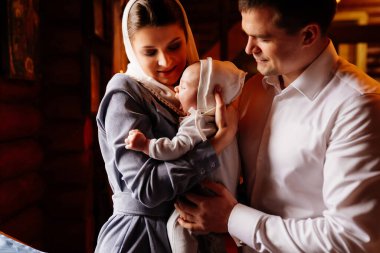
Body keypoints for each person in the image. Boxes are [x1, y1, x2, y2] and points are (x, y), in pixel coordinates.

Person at [175, 0, 380, 252]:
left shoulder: (358, 105)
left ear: (308, 35)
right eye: (246, 35)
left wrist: (232, 219)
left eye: (262, 38)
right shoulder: (252, 91)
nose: (249, 48)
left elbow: (352, 238)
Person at [94, 0, 238, 252]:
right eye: (150, 52)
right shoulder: (124, 93)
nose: (166, 61)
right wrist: (218, 143)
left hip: (194, 232)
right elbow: (147, 189)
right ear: (132, 50)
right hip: (142, 237)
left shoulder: (196, 88)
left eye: (174, 45)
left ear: (187, 38)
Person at [125, 57, 246, 253]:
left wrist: (146, 145)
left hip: (203, 196)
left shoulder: (197, 122)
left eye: (183, 86)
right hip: (224, 195)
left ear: (204, 97)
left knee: (178, 225)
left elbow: (175, 148)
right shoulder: (225, 120)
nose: (176, 90)